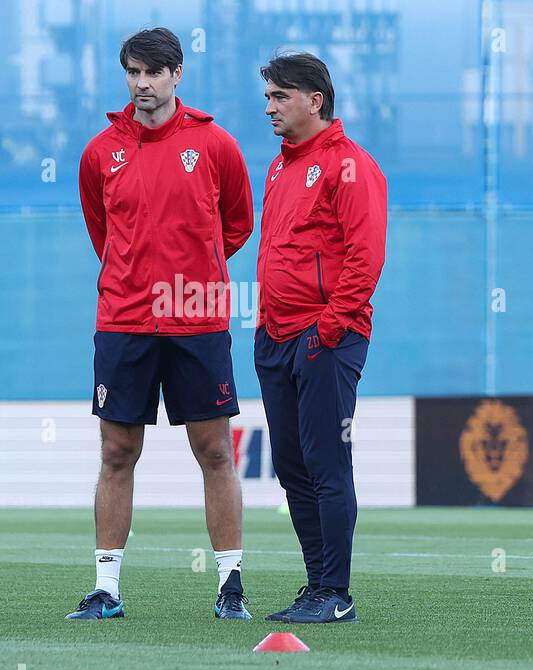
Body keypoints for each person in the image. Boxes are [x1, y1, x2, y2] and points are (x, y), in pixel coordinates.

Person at [69, 27, 253, 621]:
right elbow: (103, 232)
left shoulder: (216, 144)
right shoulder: (100, 152)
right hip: (122, 320)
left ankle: (230, 587)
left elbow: (237, 223)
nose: (142, 84)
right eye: (132, 72)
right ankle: (107, 590)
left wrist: (189, 273)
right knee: (117, 451)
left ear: (178, 75)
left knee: (214, 451)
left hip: (196, 317)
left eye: (153, 72)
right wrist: (135, 277)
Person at [255, 53, 388, 624]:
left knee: (326, 462)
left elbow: (366, 259)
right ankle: (315, 588)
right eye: (268, 97)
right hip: (276, 336)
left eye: (281, 96)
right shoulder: (280, 166)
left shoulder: (351, 166)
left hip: (326, 337)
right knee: (291, 465)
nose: (270, 107)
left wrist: (326, 330)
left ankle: (336, 593)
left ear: (315, 101)